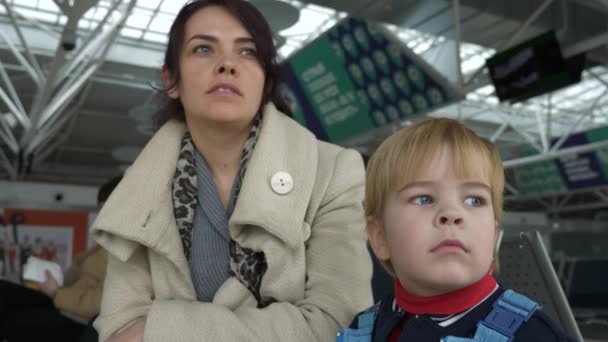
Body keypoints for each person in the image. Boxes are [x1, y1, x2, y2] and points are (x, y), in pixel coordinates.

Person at [92, 0, 372, 341]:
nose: (226, 64)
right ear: (172, 80)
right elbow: (119, 330)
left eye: (248, 52)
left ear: (266, 81)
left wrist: (161, 330)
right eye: (204, 48)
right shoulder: (137, 191)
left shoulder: (331, 172)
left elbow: (340, 323)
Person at [338, 118, 575, 341]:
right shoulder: (361, 330)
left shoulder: (535, 336)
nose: (452, 214)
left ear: (493, 235)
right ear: (380, 237)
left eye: (474, 200)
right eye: (423, 198)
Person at [0, 175, 122, 342]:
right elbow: (75, 278)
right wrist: (54, 275)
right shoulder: (104, 243)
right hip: (63, 302)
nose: (101, 216)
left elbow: (99, 302)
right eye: (99, 210)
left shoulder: (127, 251)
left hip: (77, 319)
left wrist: (56, 292)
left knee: (11, 322)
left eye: (105, 210)